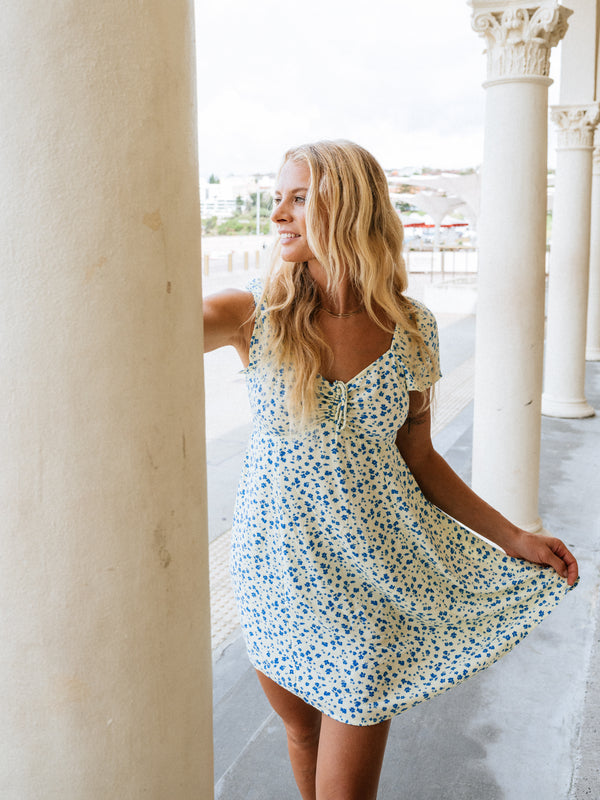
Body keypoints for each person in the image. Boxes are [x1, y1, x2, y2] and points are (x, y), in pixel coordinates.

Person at [203, 140, 578, 800]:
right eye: (275, 200)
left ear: (345, 206)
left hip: (373, 578)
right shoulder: (252, 317)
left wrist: (514, 537)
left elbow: (420, 457)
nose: (277, 217)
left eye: (297, 198)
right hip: (276, 574)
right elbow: (142, 325)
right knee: (301, 732)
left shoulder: (411, 328)